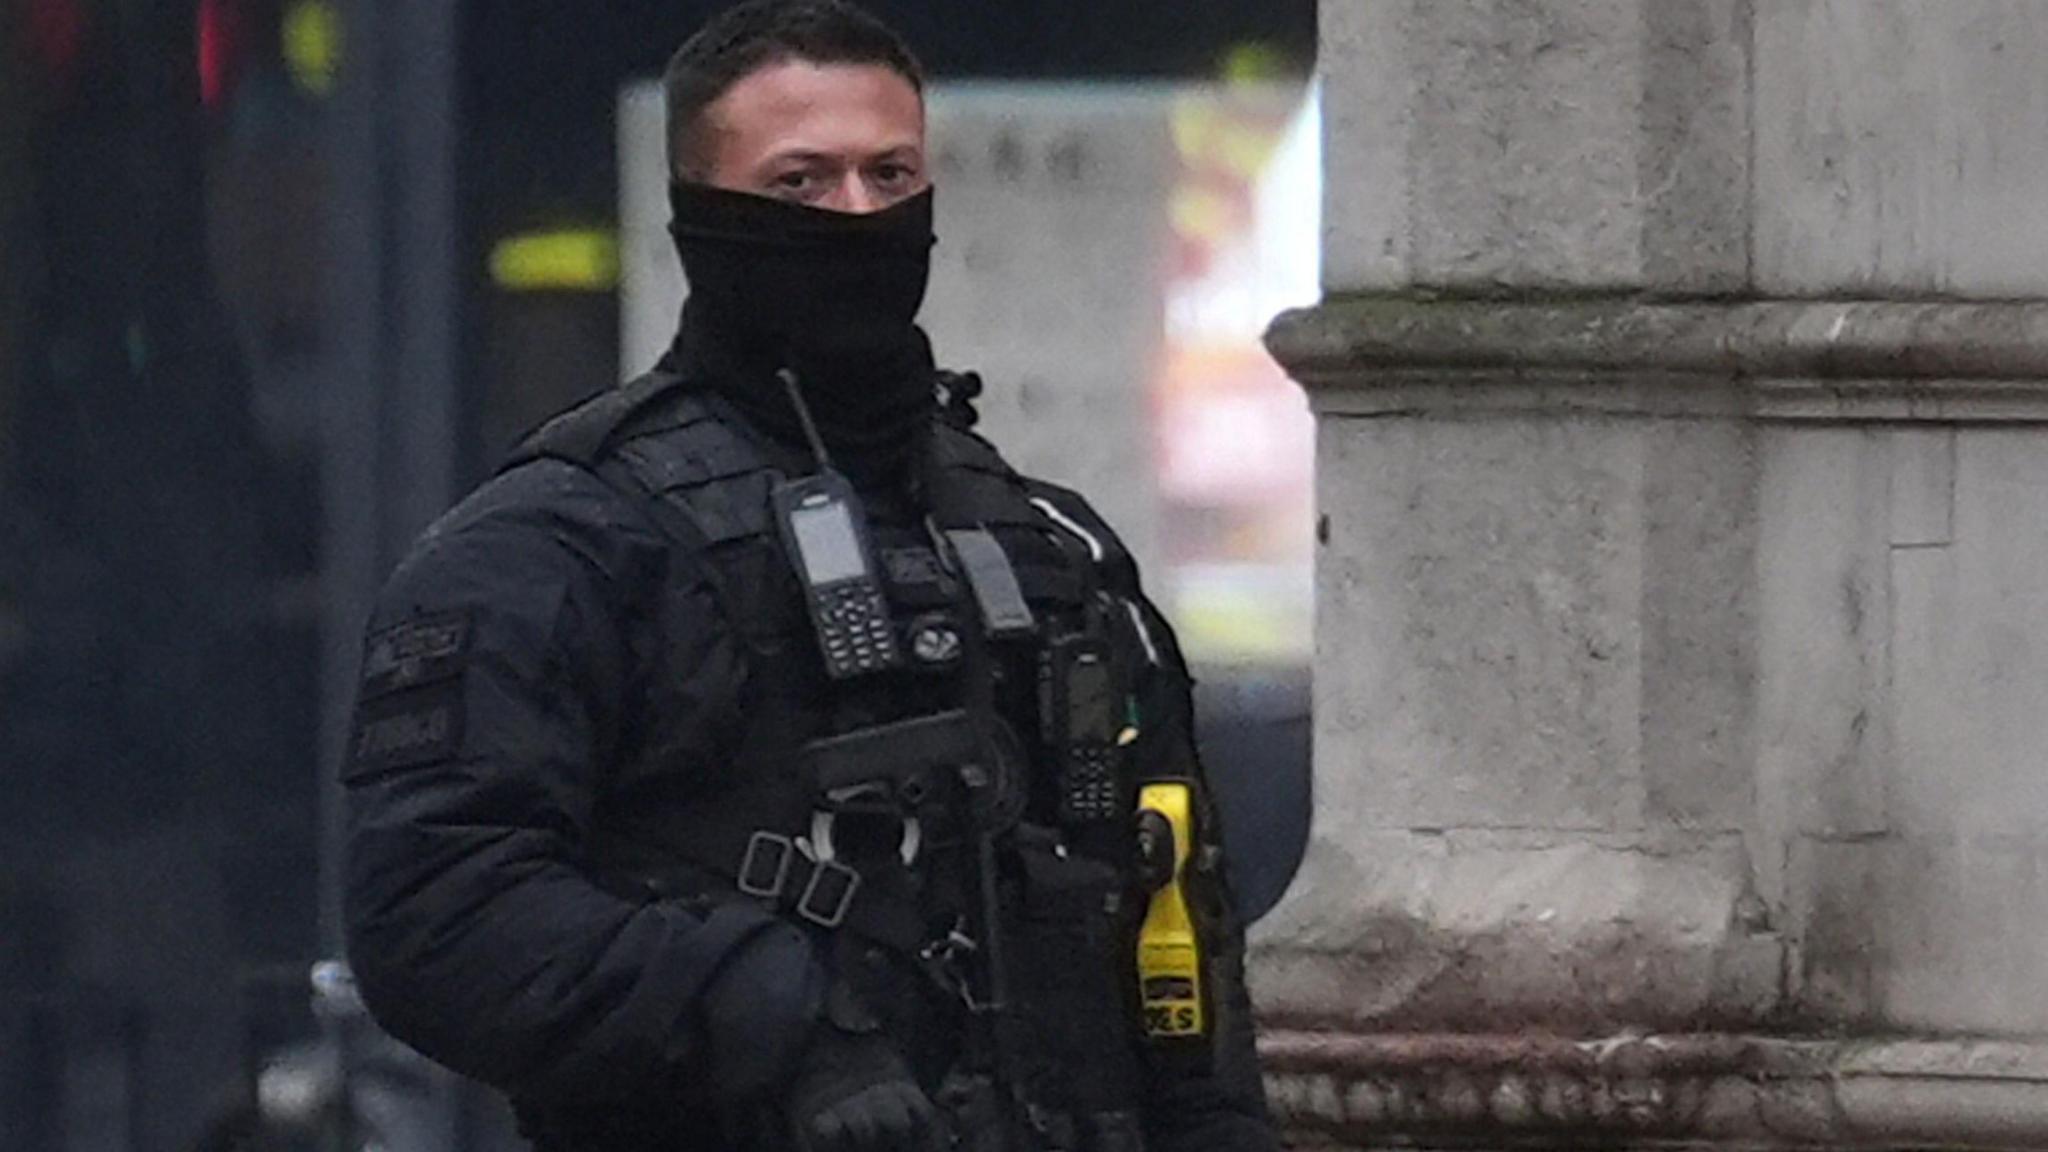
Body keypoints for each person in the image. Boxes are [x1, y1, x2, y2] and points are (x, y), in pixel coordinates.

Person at [341, 2, 1280, 1150]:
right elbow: (438, 914)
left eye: (890, 175)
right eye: (801, 183)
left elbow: (1172, 907)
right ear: (700, 214)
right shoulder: (563, 542)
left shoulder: (1041, 547)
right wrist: (777, 1022)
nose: (857, 214)